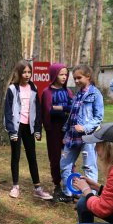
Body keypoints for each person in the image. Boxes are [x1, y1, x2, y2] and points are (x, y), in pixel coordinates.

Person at [4, 60, 53, 200]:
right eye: (24, 72)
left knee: (32, 157)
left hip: (29, 127)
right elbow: (7, 111)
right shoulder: (12, 89)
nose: (27, 75)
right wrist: (12, 130)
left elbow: (37, 109)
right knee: (16, 156)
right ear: (19, 73)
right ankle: (15, 186)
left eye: (29, 72)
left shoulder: (34, 88)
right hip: (16, 126)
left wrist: (37, 129)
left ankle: (38, 188)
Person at [57, 65, 104, 203]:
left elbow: (98, 118)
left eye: (79, 78)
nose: (76, 81)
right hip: (72, 137)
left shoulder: (95, 94)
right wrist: (66, 134)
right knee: (64, 164)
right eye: (74, 78)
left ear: (88, 77)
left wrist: (84, 128)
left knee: (89, 166)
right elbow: (72, 116)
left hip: (87, 137)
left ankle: (90, 197)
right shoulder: (77, 94)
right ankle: (68, 193)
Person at [41, 63, 73, 199]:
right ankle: (57, 185)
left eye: (66, 74)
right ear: (54, 75)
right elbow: (49, 111)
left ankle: (70, 185)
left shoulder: (68, 91)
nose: (64, 77)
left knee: (69, 156)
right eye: (61, 74)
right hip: (53, 129)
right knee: (55, 157)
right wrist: (64, 109)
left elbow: (73, 107)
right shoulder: (47, 92)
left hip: (68, 129)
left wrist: (60, 108)